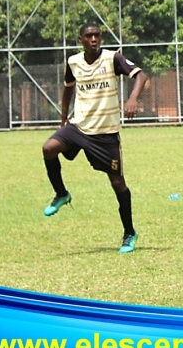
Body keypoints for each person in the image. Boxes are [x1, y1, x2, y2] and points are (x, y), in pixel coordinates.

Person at [41, 23, 147, 253]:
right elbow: (68, 88)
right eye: (89, 36)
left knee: (117, 183)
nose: (93, 39)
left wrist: (133, 99)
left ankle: (129, 233)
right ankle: (61, 194)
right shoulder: (73, 62)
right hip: (79, 127)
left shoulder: (112, 59)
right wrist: (63, 119)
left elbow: (140, 76)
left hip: (106, 134)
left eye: (97, 35)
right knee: (49, 148)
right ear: (81, 39)